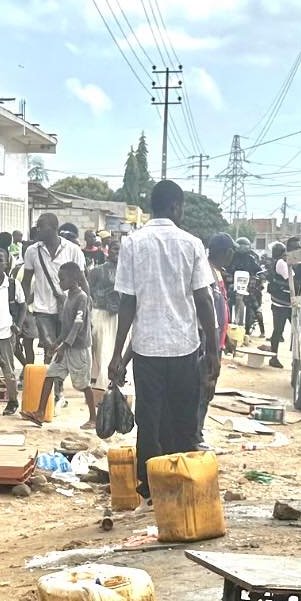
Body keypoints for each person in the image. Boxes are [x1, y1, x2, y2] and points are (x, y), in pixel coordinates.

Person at [108, 180, 218, 498]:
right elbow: (205, 300)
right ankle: (182, 482)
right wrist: (213, 351)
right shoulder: (192, 243)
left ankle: (148, 486)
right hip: (185, 347)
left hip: (147, 349)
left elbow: (127, 302)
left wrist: (117, 354)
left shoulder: (132, 243)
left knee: (149, 417)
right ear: (175, 206)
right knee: (183, 416)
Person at [23, 262, 96, 429]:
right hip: (66, 345)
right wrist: (57, 343)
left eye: (62, 279)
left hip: (79, 348)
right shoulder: (68, 297)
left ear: (75, 279)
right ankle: (40, 413)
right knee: (50, 374)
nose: (60, 283)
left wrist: (65, 345)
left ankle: (93, 418)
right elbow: (66, 325)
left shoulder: (82, 298)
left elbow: (78, 324)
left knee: (84, 384)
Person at [22, 212, 86, 366]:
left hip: (67, 308)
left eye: (41, 226)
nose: (37, 230)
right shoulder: (32, 251)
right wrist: (22, 309)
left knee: (61, 346)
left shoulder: (73, 250)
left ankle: (56, 384)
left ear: (54, 228)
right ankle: (47, 382)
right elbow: (25, 282)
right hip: (42, 309)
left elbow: (83, 281)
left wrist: (86, 308)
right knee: (49, 345)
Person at [198, 234, 233, 445]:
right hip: (206, 342)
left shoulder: (218, 272)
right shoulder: (206, 272)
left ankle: (198, 429)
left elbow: (221, 308)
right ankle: (195, 433)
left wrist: (225, 336)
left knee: (208, 389)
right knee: (204, 386)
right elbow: (206, 310)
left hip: (216, 341)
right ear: (226, 253)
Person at [0, 247, 24, 414]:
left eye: (0, 260)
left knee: (8, 370)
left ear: (7, 263)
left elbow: (22, 306)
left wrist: (18, 325)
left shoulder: (13, 285)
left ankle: (13, 400)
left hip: (7, 334)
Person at [86, 236, 120, 405]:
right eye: (115, 249)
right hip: (100, 314)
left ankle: (112, 386)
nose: (118, 253)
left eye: (121, 250)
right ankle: (99, 386)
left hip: (119, 317)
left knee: (114, 350)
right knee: (100, 349)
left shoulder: (128, 271)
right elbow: (88, 290)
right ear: (108, 250)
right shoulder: (97, 271)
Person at [266, 241, 294, 367]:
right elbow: (291, 280)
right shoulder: (281, 263)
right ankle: (274, 357)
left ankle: (274, 356)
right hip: (283, 303)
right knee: (284, 331)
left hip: (279, 301)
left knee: (278, 330)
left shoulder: (275, 262)